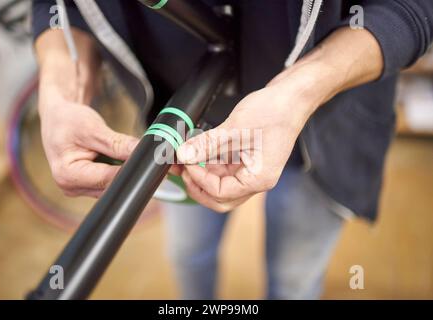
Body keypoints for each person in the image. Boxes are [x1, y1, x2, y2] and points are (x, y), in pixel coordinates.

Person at [32, 0, 433, 299]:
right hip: (177, 136)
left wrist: (301, 91)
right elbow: (59, 6)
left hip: (326, 127)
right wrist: (60, 89)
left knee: (293, 280)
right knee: (189, 258)